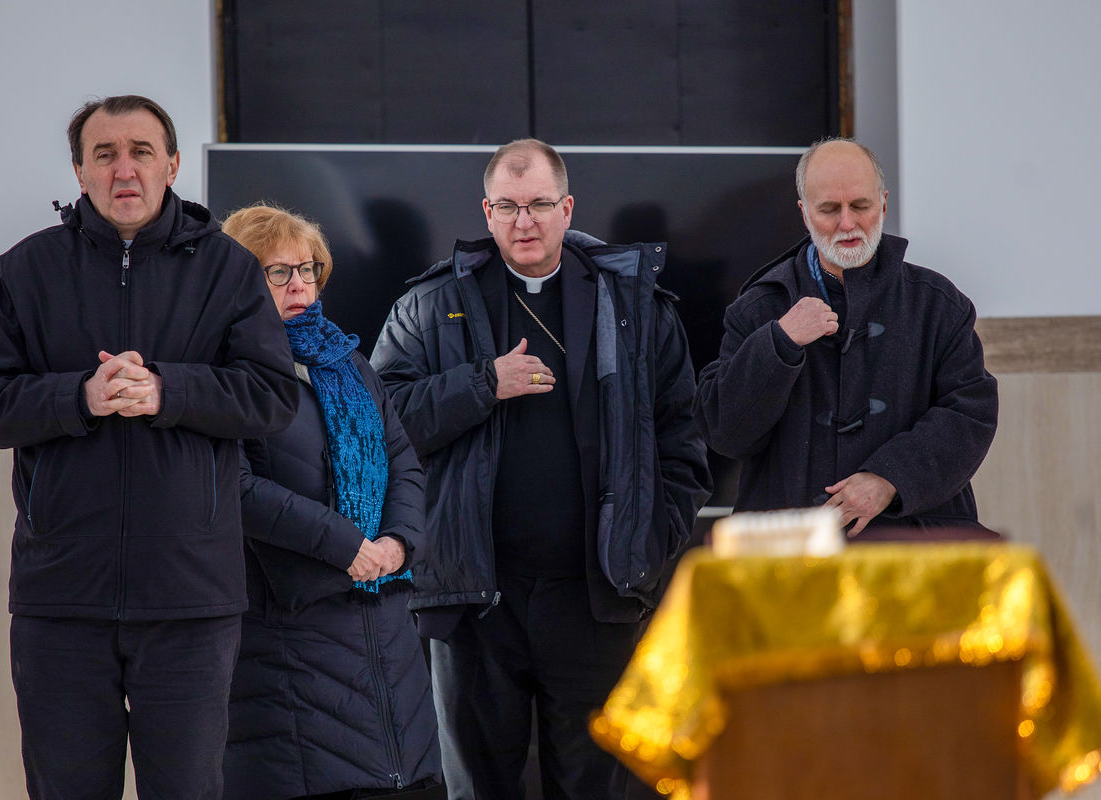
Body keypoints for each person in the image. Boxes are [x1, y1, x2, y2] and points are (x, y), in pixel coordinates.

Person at [0, 95, 300, 800]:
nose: (124, 169)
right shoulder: (27, 269)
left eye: (141, 151)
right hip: (61, 599)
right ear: (79, 172)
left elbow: (271, 397)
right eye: (104, 154)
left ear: (171, 164)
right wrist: (80, 396)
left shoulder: (228, 270)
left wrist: (168, 391)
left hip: (191, 599)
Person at [370, 139, 712, 800]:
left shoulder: (635, 307)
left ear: (567, 208)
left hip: (595, 597)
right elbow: (379, 429)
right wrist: (481, 384)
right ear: (486, 211)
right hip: (474, 599)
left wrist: (648, 543)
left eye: (539, 206)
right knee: (477, 785)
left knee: (594, 786)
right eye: (508, 207)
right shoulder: (428, 306)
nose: (524, 222)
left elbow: (683, 441)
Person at [219, 203, 441, 799]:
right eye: (278, 273)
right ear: (239, 282)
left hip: (385, 624)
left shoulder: (349, 363)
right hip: (287, 632)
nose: (300, 285)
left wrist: (399, 541)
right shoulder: (225, 371)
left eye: (308, 269)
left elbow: (403, 461)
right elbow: (234, 489)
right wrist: (348, 547)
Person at [694, 137, 998, 535]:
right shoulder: (760, 308)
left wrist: (890, 479)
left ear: (884, 204)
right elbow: (725, 434)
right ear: (804, 214)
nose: (847, 224)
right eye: (829, 209)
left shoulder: (938, 305)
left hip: (913, 548)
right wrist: (779, 344)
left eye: (860, 206)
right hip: (793, 555)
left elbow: (969, 412)